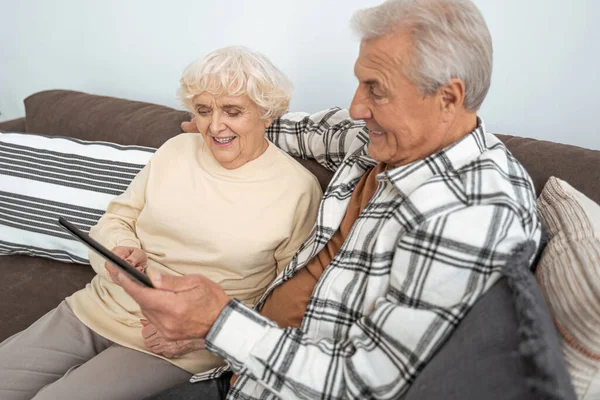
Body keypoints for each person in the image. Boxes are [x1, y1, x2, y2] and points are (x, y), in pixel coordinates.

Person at [119, 0, 543, 399]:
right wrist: (228, 127)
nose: (357, 106)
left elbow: (366, 385)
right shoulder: (387, 137)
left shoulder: (470, 214)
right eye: (359, 82)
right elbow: (304, 129)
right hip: (236, 371)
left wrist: (218, 322)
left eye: (376, 90)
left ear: (447, 98)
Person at [0, 46, 323, 400]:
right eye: (203, 110)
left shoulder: (296, 189)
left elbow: (289, 298)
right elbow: (118, 217)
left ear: (267, 112)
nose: (215, 126)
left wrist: (208, 332)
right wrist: (120, 250)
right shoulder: (176, 150)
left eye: (232, 111)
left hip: (178, 343)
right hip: (98, 306)